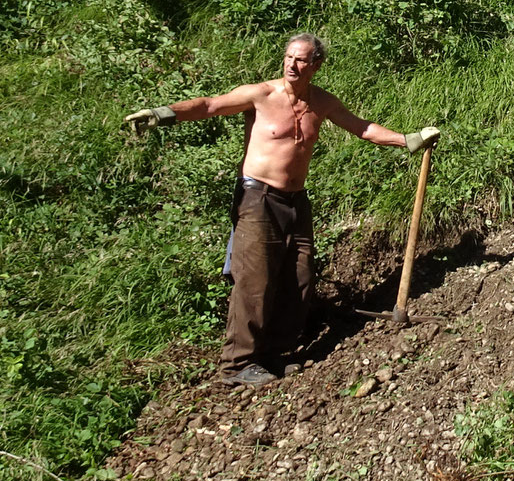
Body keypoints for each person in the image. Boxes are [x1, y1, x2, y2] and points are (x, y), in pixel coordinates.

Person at [125, 33, 439, 387]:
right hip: (258, 197)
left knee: (300, 276)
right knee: (255, 279)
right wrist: (163, 114)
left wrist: (409, 139)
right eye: (289, 57)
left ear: (316, 65)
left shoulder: (321, 102)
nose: (292, 64)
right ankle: (236, 364)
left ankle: (273, 354)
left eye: (301, 59)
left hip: (296, 200)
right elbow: (209, 105)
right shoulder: (260, 95)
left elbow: (362, 128)